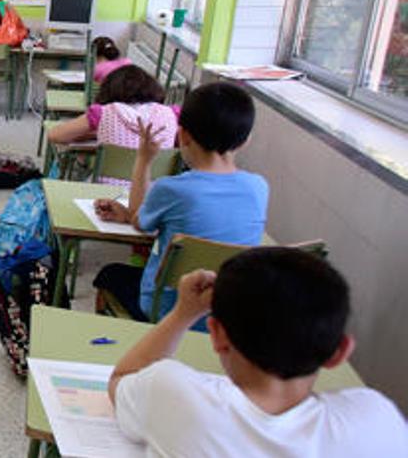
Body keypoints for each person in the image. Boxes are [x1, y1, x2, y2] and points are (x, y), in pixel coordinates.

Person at [110, 248, 408, 455]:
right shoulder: (378, 419)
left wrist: (183, 314)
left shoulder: (172, 392)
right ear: (340, 352)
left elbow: (123, 379)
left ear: (217, 335)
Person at [92, 83, 268, 321]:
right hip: (227, 312)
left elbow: (138, 220)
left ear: (182, 135)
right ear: (245, 140)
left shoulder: (171, 189)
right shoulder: (259, 188)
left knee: (110, 274)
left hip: (168, 312)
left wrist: (144, 159)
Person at [47, 65, 179, 187]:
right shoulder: (172, 114)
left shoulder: (104, 112)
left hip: (107, 192)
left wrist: (95, 131)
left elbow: (55, 135)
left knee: (78, 168)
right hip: (154, 193)